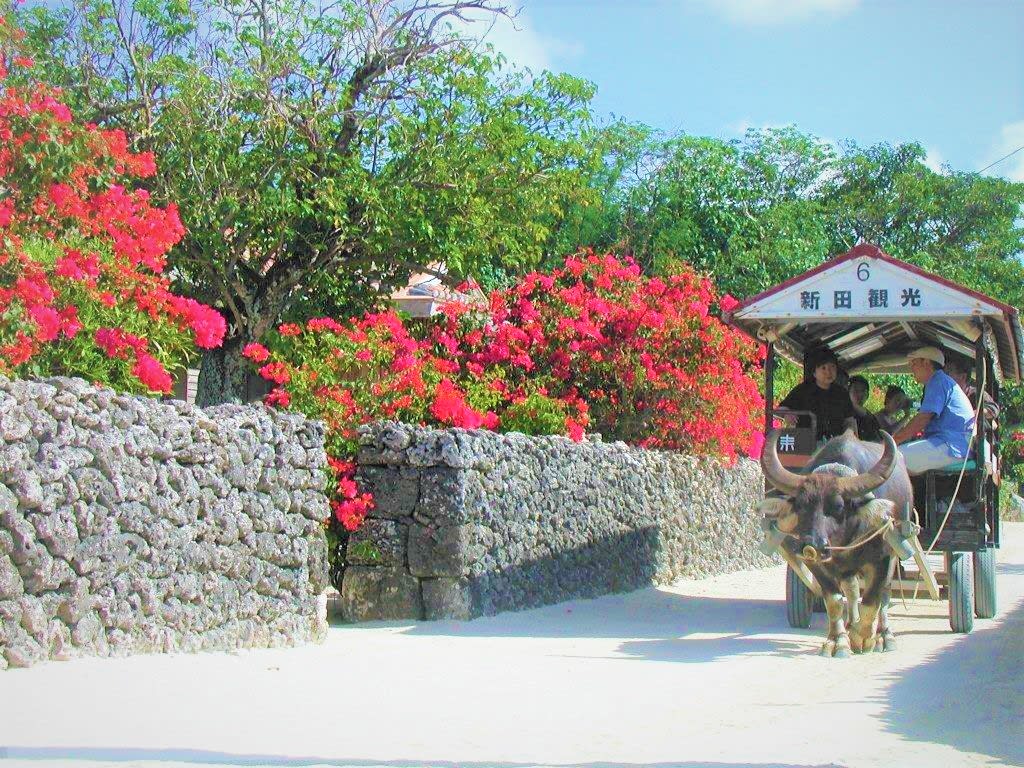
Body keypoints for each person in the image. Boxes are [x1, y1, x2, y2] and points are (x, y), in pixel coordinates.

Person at [894, 347, 976, 474]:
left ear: (926, 363)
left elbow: (923, 418)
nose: (911, 368)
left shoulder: (937, 380)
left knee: (892, 459)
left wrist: (893, 441)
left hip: (953, 445)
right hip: (953, 444)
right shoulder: (941, 381)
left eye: (914, 363)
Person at [778, 348, 857, 442]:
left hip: (836, 445)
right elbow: (781, 409)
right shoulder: (802, 390)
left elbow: (849, 420)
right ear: (814, 372)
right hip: (806, 443)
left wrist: (853, 438)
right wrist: (787, 414)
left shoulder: (842, 393)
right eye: (823, 368)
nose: (828, 372)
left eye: (832, 367)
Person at [944, 355, 999, 421]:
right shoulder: (943, 393)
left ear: (963, 377)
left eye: (949, 372)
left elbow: (994, 409)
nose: (945, 376)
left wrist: (971, 415)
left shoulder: (975, 393)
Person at [848, 375, 882, 441]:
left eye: (863, 391)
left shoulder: (871, 417)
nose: (860, 394)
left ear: (868, 394)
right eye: (856, 390)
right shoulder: (845, 414)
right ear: (848, 392)